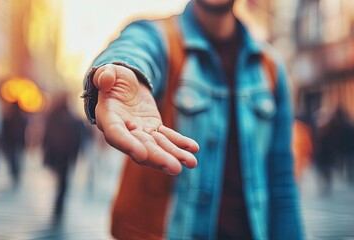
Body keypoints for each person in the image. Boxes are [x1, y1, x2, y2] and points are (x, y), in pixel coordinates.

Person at [82, 0, 303, 239]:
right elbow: (134, 46)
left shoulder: (270, 66)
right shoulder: (160, 36)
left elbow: (281, 184)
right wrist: (124, 69)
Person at [42, 93, 84, 219]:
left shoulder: (52, 116)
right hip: (65, 155)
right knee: (63, 181)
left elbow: (46, 136)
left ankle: (58, 203)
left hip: (56, 154)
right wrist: (75, 155)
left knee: (61, 180)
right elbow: (77, 139)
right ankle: (59, 204)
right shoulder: (72, 118)